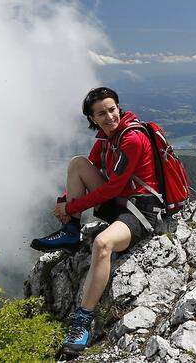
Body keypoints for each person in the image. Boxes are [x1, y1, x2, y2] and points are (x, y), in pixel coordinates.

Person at [30, 87, 166, 358]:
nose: (109, 116)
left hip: (141, 212)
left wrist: (71, 206)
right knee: (77, 164)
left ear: (119, 107)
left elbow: (112, 188)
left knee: (103, 244)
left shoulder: (132, 139)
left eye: (112, 109)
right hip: (121, 204)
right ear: (92, 119)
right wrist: (65, 201)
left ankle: (82, 320)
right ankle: (71, 231)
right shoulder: (105, 139)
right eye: (101, 113)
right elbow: (89, 169)